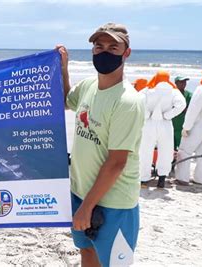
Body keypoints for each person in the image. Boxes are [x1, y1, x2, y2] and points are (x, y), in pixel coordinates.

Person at [57, 22, 145, 266]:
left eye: (113, 48)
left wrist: (87, 207)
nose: (104, 52)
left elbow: (117, 162)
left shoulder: (127, 101)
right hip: (81, 192)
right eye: (99, 46)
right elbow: (66, 102)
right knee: (87, 252)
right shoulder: (88, 86)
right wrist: (64, 69)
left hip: (113, 202)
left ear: (126, 53)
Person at [138, 71, 186, 188]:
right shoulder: (173, 91)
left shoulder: (148, 90)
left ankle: (144, 179)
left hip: (149, 124)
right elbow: (182, 104)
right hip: (165, 123)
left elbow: (137, 101)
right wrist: (169, 114)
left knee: (145, 150)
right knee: (165, 150)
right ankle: (162, 179)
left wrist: (146, 114)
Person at [172, 76, 193, 151]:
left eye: (185, 82)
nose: (183, 83)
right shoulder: (171, 94)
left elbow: (192, 109)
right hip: (172, 124)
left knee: (183, 148)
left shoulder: (189, 95)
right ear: (176, 83)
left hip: (183, 124)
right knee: (171, 148)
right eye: (181, 82)